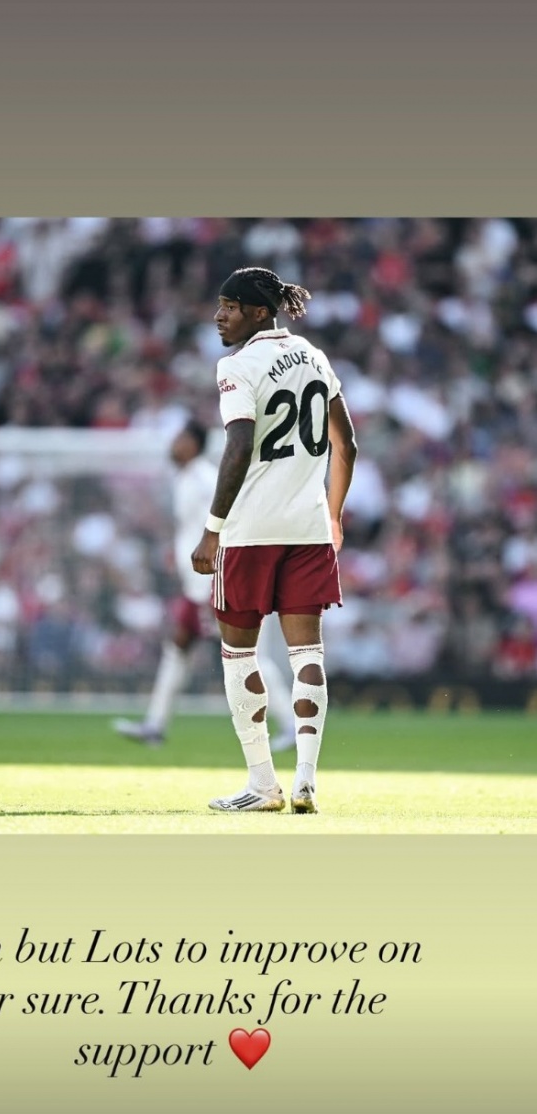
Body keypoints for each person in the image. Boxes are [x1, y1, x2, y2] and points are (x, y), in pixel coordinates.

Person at [191, 267, 357, 814]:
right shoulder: (314, 356)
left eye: (230, 307)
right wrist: (333, 516)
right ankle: (306, 780)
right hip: (308, 530)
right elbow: (346, 444)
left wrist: (212, 530)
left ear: (259, 312)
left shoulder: (237, 366)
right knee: (307, 652)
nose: (219, 316)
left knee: (239, 654)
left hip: (250, 533)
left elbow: (239, 446)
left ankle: (263, 784)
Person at [113, 420, 295, 749]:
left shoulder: (204, 479)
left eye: (180, 438)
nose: (173, 445)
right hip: (194, 586)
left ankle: (292, 724)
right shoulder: (185, 478)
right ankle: (154, 725)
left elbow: (232, 519)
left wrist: (221, 573)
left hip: (213, 583)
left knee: (244, 653)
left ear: (194, 445)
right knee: (177, 648)